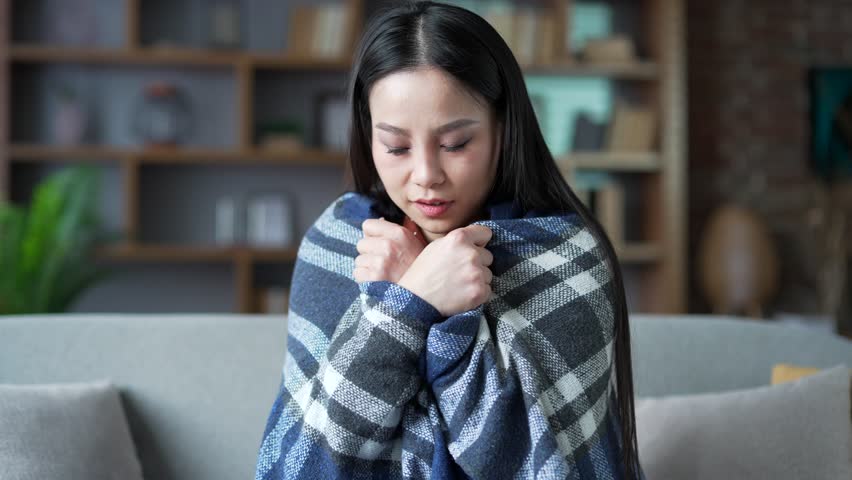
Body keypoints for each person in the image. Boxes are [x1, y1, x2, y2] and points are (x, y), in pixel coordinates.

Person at [255, 1, 643, 478]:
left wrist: (448, 316)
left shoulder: (567, 257)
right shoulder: (338, 240)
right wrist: (409, 302)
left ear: (504, 128)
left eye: (456, 144)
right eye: (396, 146)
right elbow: (299, 466)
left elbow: (535, 466)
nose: (426, 176)